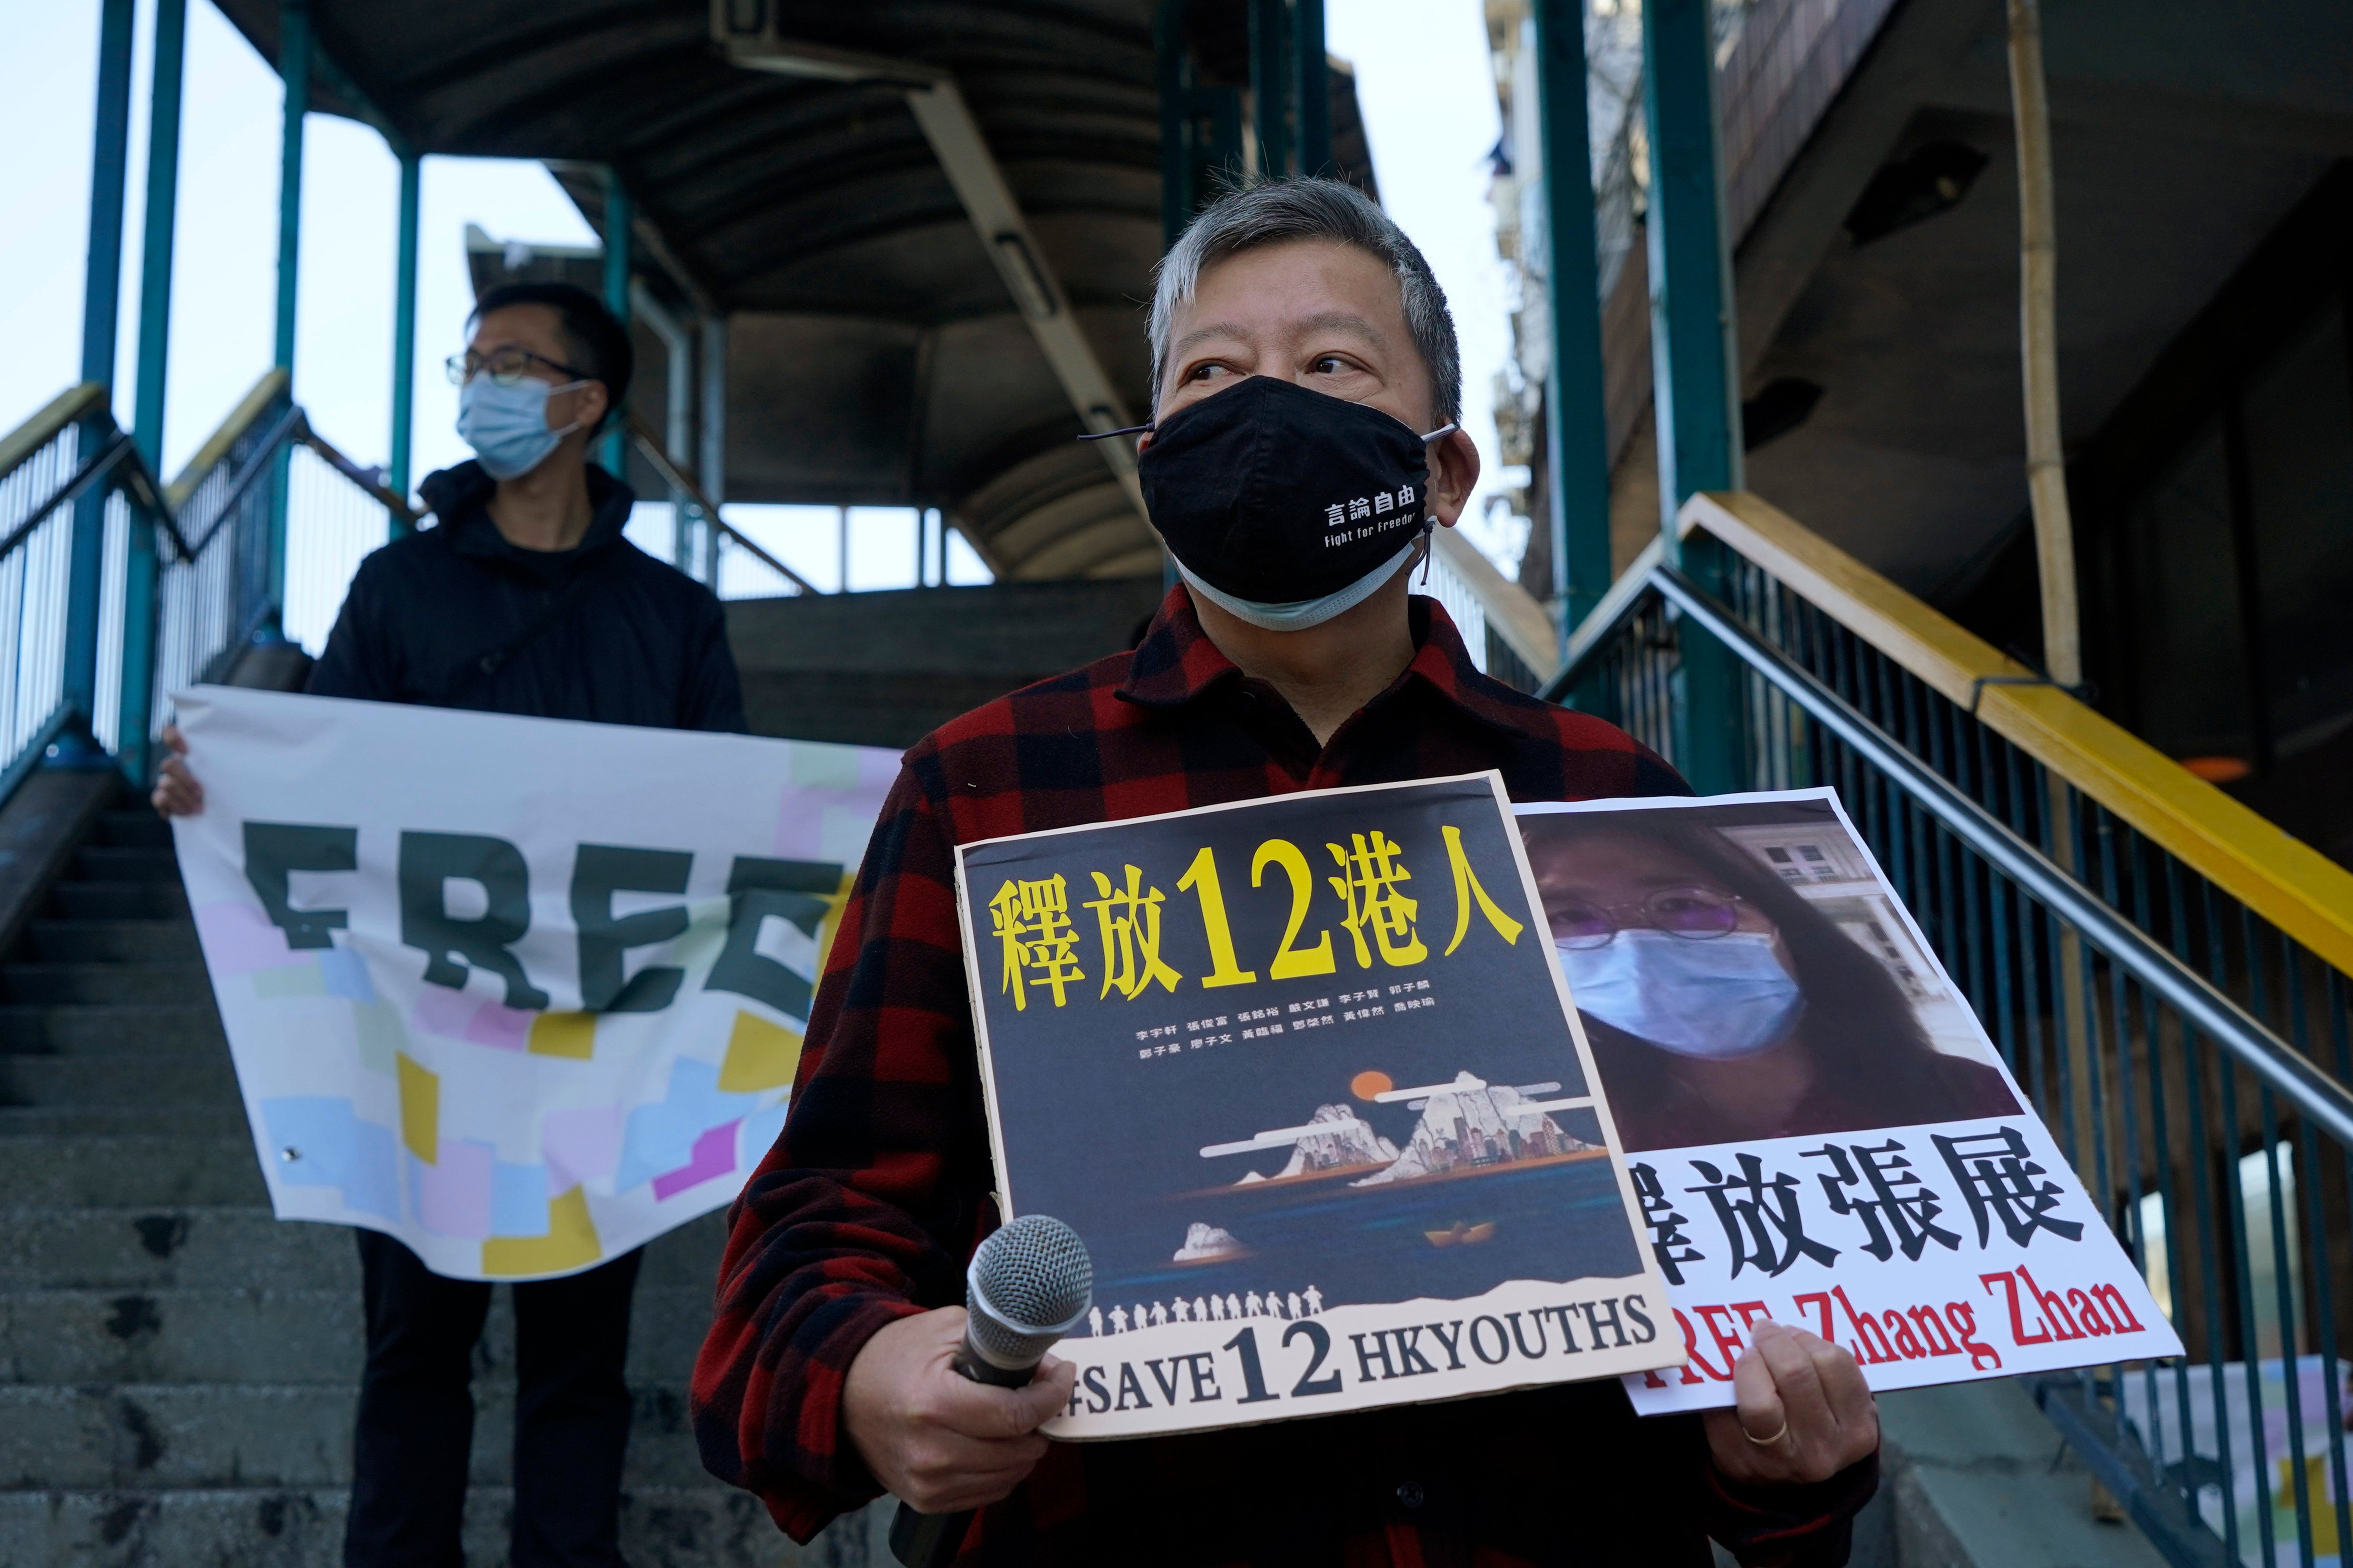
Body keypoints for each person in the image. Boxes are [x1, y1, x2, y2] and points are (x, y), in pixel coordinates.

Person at [692, 178, 1880, 1566]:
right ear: (1155, 463)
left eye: (1332, 364)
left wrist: (1774, 1456)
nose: (1266, 411)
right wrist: (868, 1373)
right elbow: (813, 1234)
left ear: (1441, 471)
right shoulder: (986, 786)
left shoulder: (1605, 795)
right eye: (1211, 373)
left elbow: (1741, 1287)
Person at [154, 279, 748, 1567]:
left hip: (600, 1052)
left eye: (512, 364)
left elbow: (735, 826)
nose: (479, 388)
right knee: (414, 1345)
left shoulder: (673, 619)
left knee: (577, 1362)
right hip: (418, 1045)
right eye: (470, 362)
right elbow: (312, 772)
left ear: (585, 403)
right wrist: (218, 784)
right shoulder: (398, 587)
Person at [1522, 812, 2019, 1152]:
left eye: (1680, 903)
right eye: (1569, 917)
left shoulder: (1969, 1097)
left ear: (1782, 923)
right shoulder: (1583, 1144)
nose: (1635, 949)